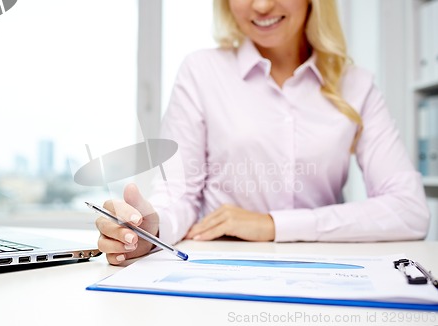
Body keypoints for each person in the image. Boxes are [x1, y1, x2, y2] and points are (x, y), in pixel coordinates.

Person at [95, 0, 430, 265]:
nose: (261, 6)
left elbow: (410, 210)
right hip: (219, 266)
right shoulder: (201, 72)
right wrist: (151, 229)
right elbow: (179, 194)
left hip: (323, 268)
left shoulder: (357, 85)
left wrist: (273, 224)